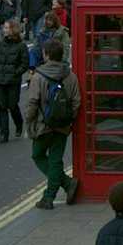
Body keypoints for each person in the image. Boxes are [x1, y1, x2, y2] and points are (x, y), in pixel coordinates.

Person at [25, 38, 80, 209]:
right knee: (56, 159)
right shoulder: (70, 76)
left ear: (46, 55)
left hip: (43, 125)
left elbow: (32, 103)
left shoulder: (38, 76)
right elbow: (76, 101)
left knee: (38, 155)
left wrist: (29, 122)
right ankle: (64, 185)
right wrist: (69, 119)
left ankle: (52, 195)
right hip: (62, 125)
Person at [0, 19, 29, 143]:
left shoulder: (21, 45)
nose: (4, 30)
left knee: (12, 105)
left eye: (7, 28)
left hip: (13, 81)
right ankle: (4, 134)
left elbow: (24, 63)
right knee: (2, 106)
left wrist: (15, 73)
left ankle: (19, 124)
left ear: (13, 29)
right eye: (4, 28)